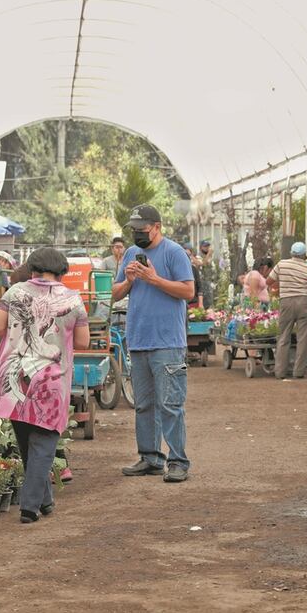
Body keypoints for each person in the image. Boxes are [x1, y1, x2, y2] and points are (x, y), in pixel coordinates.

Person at [0, 248, 90, 523]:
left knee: (26, 441)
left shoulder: (15, 292)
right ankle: (29, 507)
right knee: (44, 442)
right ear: (62, 271)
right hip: (50, 380)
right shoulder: (73, 299)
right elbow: (83, 342)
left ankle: (44, 501)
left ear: (32, 268)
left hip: (13, 376)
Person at [113, 204, 195, 483]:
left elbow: (188, 290)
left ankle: (178, 461)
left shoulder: (174, 252)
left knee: (170, 404)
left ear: (157, 227)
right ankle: (150, 458)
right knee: (144, 405)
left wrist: (155, 279)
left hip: (167, 342)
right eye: (134, 229)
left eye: (142, 229)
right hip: (138, 340)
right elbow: (114, 293)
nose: (137, 233)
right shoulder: (130, 253)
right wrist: (129, 281)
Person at [267, 242, 307, 380]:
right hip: (304, 303)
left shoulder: (282, 265)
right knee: (303, 338)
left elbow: (269, 281)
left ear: (291, 253)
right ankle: (299, 372)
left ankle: (280, 372)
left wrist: (281, 285)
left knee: (283, 336)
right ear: (305, 255)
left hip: (286, 302)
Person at [182, 243, 204, 308]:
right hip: (181, 304)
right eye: (185, 255)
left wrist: (200, 304)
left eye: (189, 255)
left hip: (193, 304)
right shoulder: (176, 269)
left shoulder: (193, 269)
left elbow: (199, 287)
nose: (186, 257)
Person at [198, 240, 215, 307]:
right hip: (204, 282)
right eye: (205, 246)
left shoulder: (209, 256)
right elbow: (203, 264)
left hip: (211, 282)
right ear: (201, 247)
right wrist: (208, 254)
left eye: (208, 246)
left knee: (211, 301)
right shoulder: (199, 256)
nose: (207, 248)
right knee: (206, 302)